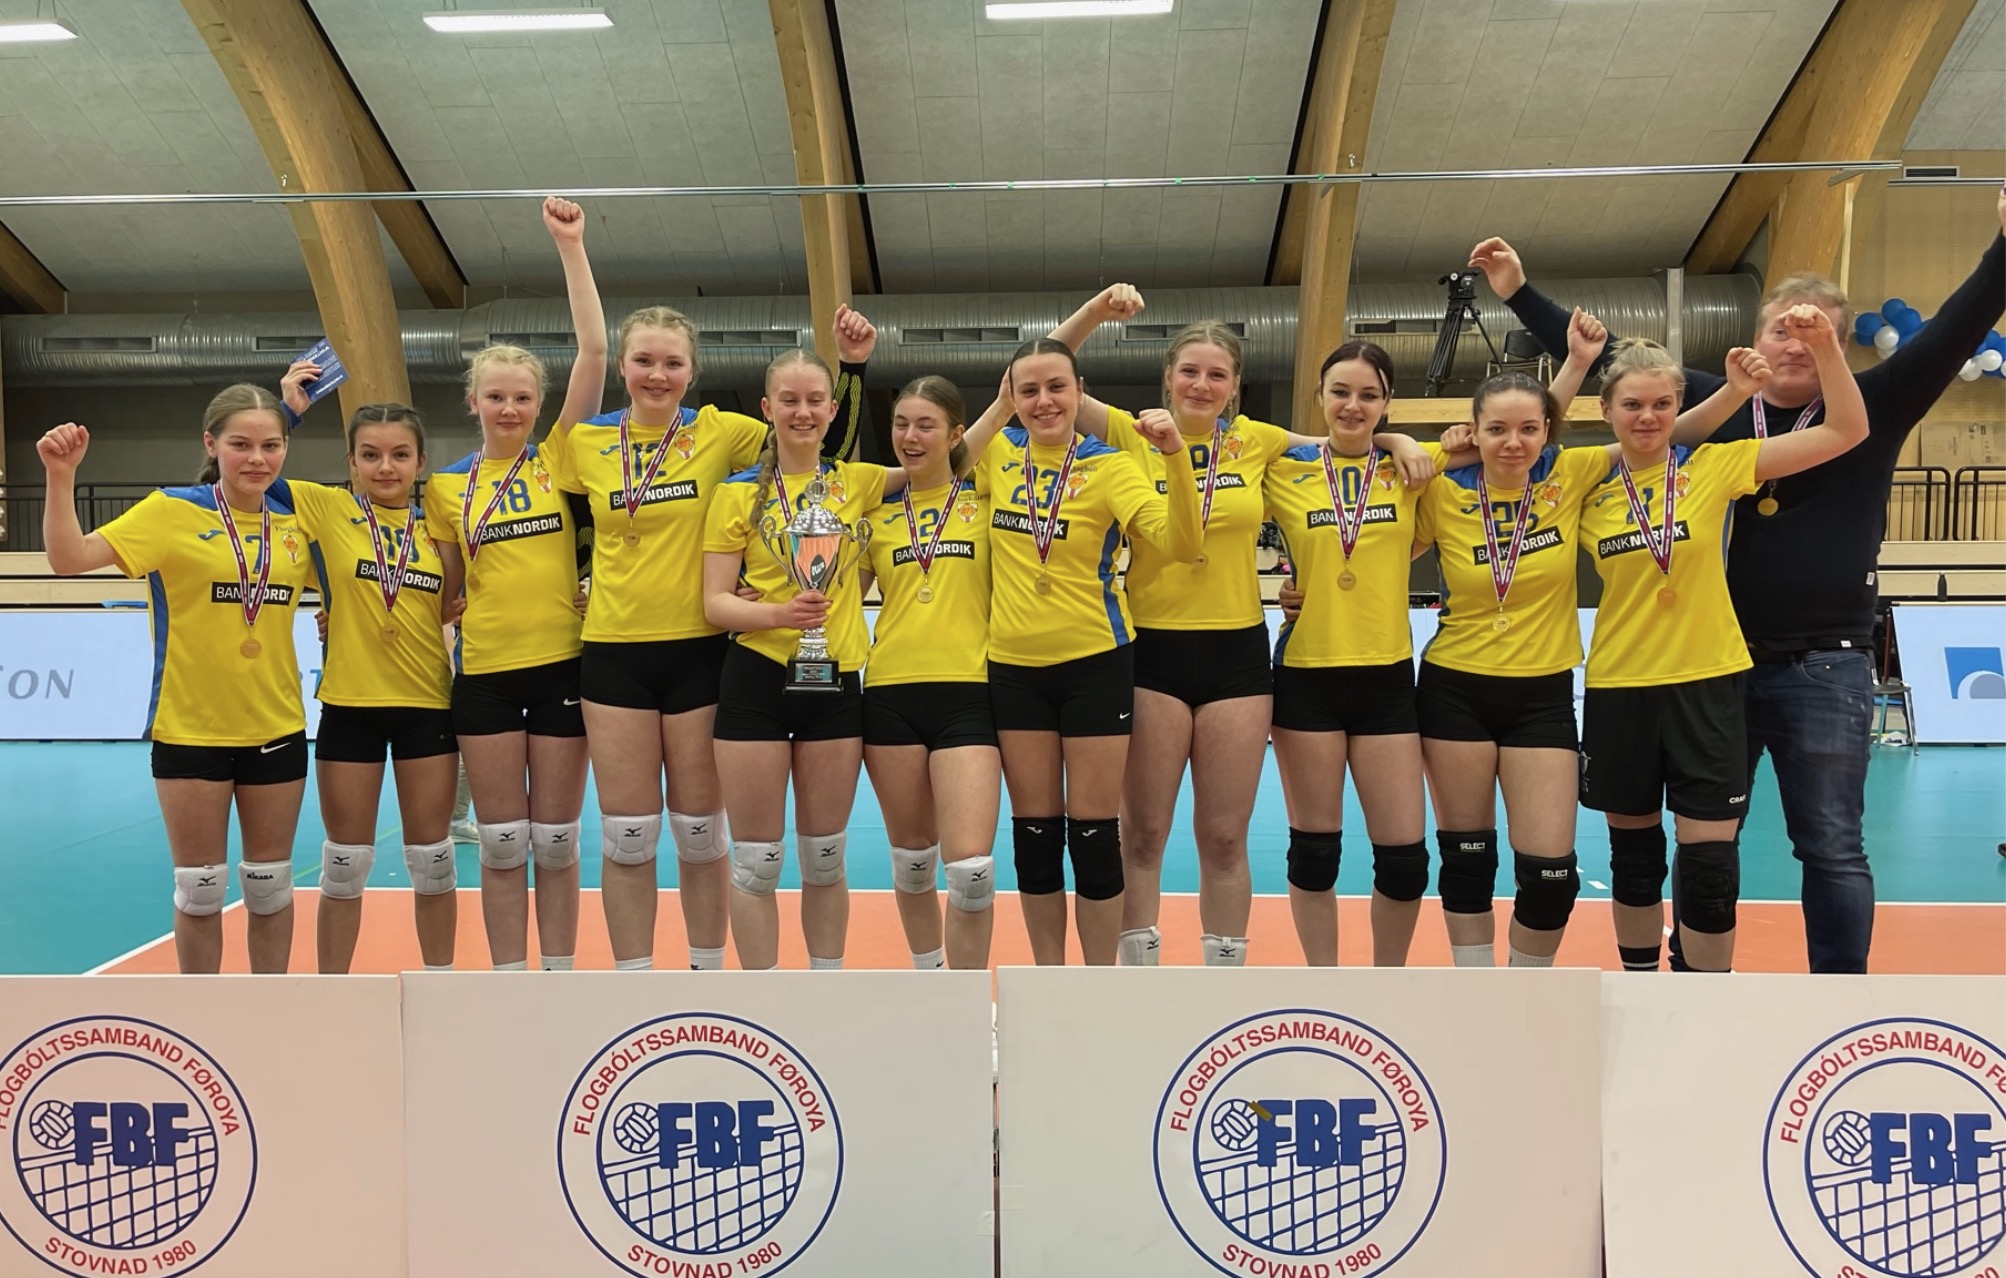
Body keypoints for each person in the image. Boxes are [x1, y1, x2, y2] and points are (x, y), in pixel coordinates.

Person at [1468, 193, 2006, 972]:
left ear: (1841, 342)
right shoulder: (1710, 409)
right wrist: (1519, 293)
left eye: (1816, 332)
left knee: (1830, 843)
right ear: (1754, 342)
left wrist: (2002, 246)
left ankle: (1836, 998)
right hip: (1714, 667)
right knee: (1705, 841)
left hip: (1825, 663)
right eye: (1782, 329)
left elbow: (1958, 326)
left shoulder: (1880, 399)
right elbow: (1618, 363)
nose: (1796, 343)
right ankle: (1693, 976)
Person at [1576, 320, 1865, 973]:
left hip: (1707, 683)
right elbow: (1499, 454)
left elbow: (1846, 431)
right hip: (1620, 687)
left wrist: (1825, 349)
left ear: (1679, 407)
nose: (1647, 417)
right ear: (1606, 411)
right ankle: (1640, 987)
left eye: (1662, 404)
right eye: (1632, 404)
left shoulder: (1716, 465)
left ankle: (1705, 999)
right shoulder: (1585, 487)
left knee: (1708, 866)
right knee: (1635, 860)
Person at [38, 388, 314, 973]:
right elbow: (69, 559)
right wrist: (61, 477)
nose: (257, 458)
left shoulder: (298, 522)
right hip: (190, 729)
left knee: (270, 887)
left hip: (277, 727)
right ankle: (200, 1012)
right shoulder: (169, 511)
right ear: (211, 444)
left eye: (271, 445)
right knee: (200, 889)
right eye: (240, 444)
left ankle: (273, 1009)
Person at [984, 338, 1202, 966]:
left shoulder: (1112, 466)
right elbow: (928, 465)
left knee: (1093, 835)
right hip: (1014, 669)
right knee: (1034, 839)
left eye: (1058, 386)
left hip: (1096, 665)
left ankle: (1098, 986)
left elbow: (1182, 544)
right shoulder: (995, 453)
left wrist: (1175, 457)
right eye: (1029, 390)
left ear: (1081, 392)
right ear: (1011, 398)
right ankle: (1049, 982)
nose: (1044, 401)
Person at [701, 344, 909, 971]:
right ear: (767, 409)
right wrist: (778, 614)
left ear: (831, 410)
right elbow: (715, 603)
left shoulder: (859, 481)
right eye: (789, 400)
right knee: (755, 864)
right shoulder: (737, 494)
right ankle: (764, 1000)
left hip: (835, 687)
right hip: (755, 684)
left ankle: (826, 990)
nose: (803, 411)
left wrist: (1003, 403)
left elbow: (946, 460)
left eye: (816, 400)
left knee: (825, 860)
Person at [1262, 342, 1442, 967]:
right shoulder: (1283, 471)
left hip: (1385, 679)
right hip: (1306, 676)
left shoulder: (1412, 470)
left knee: (1405, 859)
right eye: (1340, 391)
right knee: (1315, 854)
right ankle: (1325, 985)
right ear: (1319, 396)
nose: (1353, 405)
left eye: (1369, 395)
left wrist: (1401, 441)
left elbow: (1522, 430)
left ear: (1388, 402)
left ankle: (1385, 983)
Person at [276, 376, 462, 974]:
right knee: (345, 864)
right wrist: (288, 411)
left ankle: (439, 986)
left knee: (433, 862)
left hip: (427, 707)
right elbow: (249, 473)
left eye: (400, 454)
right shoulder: (328, 510)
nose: (386, 467)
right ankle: (334, 992)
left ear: (420, 462)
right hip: (349, 707)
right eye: (371, 454)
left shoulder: (438, 529)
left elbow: (465, 599)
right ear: (351, 462)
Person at [424, 345, 588, 972]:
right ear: (474, 403)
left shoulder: (558, 458)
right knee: (500, 845)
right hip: (486, 674)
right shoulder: (446, 487)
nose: (509, 408)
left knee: (555, 843)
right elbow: (445, 594)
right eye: (496, 396)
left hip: (561, 667)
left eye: (522, 397)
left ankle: (558, 976)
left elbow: (595, 354)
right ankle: (508, 979)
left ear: (541, 405)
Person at [860, 377, 1009, 970]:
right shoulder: (873, 516)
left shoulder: (987, 506)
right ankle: (932, 984)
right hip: (889, 696)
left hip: (969, 694)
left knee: (971, 873)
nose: (911, 436)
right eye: (901, 424)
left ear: (954, 435)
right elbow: (836, 598)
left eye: (926, 425)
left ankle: (966, 1000)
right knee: (913, 864)